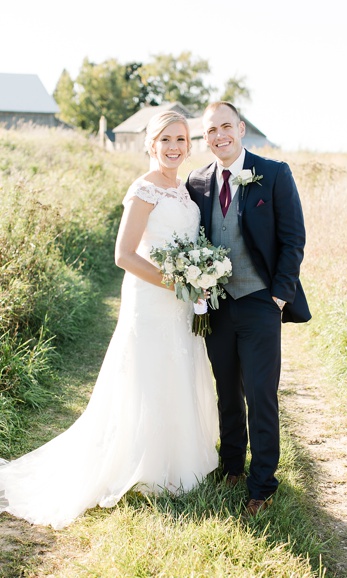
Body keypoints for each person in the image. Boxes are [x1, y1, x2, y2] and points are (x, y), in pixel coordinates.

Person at [0, 111, 219, 529]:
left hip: (181, 301)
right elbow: (124, 255)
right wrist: (178, 284)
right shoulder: (143, 189)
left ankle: (177, 461)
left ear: (188, 144)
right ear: (150, 145)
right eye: (165, 140)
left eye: (180, 139)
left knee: (178, 370)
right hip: (152, 298)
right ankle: (145, 465)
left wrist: (200, 275)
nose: (173, 147)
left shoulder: (184, 189)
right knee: (148, 374)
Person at [186, 102, 310, 517]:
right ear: (206, 138)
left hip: (260, 301)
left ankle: (262, 483)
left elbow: (293, 240)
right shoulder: (197, 181)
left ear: (240, 128)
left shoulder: (273, 173)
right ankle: (232, 467)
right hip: (216, 305)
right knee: (227, 391)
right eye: (211, 131)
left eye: (226, 126)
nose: (219, 135)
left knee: (261, 394)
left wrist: (278, 296)